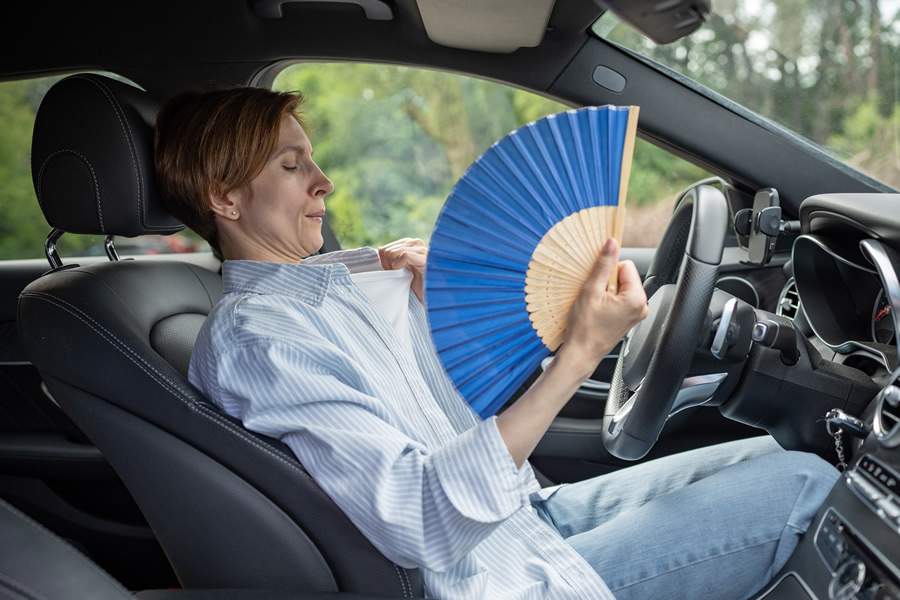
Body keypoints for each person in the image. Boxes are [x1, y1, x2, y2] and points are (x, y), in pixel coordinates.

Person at [154, 87, 839, 600]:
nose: (322, 180)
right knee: (809, 488)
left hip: (523, 521)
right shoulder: (262, 339)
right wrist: (577, 354)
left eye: (312, 160)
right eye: (290, 165)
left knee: (786, 454)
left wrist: (433, 315)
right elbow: (420, 519)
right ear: (225, 198)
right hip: (488, 580)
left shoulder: (337, 286)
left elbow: (440, 428)